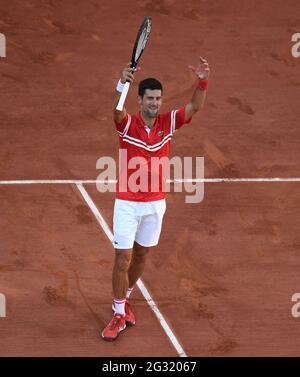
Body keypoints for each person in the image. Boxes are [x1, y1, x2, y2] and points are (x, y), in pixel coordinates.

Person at [102, 57, 210, 341]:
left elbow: (195, 106)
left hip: (154, 204)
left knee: (141, 255)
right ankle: (117, 314)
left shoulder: (167, 122)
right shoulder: (128, 126)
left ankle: (125, 299)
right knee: (122, 258)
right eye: (150, 98)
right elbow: (115, 110)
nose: (155, 103)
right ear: (140, 100)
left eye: (159, 98)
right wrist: (122, 82)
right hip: (127, 202)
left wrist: (202, 80)